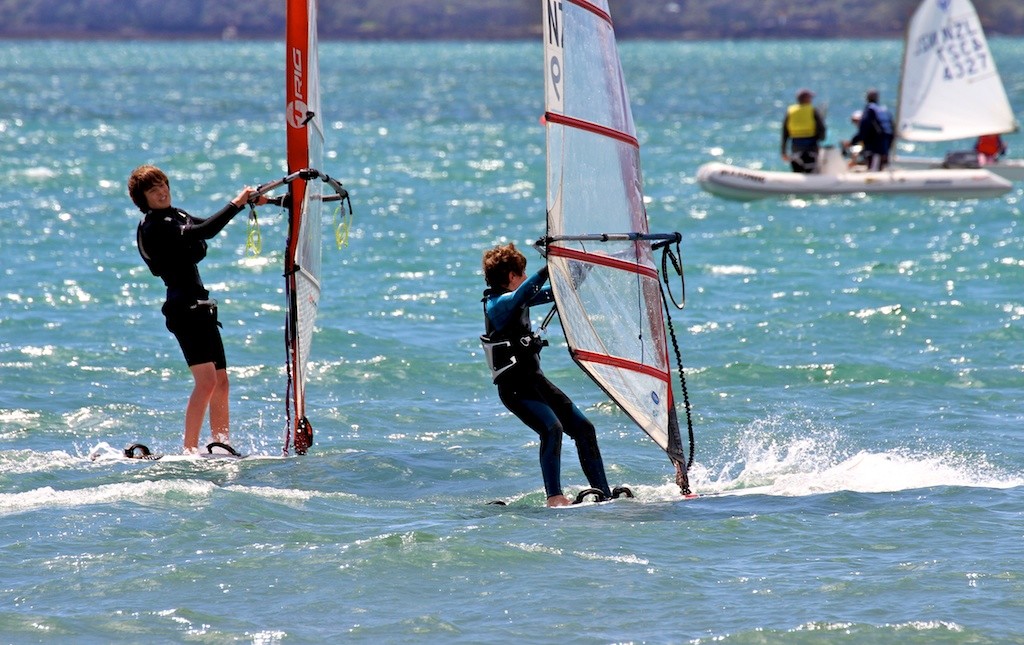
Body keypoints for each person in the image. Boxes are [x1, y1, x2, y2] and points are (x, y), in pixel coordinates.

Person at [128, 164, 265, 454]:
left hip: (200, 308)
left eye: (163, 184)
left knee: (221, 382)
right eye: (153, 190)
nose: (162, 191)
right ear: (144, 199)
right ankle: (189, 451)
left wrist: (262, 202)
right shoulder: (157, 226)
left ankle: (220, 445)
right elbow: (207, 230)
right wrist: (236, 202)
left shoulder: (174, 215)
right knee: (206, 382)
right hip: (183, 309)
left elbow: (208, 220)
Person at [480, 243, 612, 507]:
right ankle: (554, 497)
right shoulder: (497, 305)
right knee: (552, 429)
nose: (526, 278)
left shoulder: (517, 298)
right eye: (523, 273)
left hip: (535, 383)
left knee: (585, 430)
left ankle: (604, 494)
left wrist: (583, 263)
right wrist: (548, 266)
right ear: (511, 277)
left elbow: (559, 292)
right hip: (515, 389)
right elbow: (520, 297)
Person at [844, 89, 894, 171]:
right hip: (884, 148)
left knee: (874, 172)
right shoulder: (884, 110)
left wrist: (852, 142)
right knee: (880, 169)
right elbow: (892, 131)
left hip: (875, 149)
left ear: (867, 98)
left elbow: (864, 129)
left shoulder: (870, 110)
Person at [781, 88, 827, 173]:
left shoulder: (790, 111)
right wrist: (822, 138)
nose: (811, 100)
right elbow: (821, 127)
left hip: (796, 147)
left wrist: (783, 151)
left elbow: (785, 132)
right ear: (805, 98)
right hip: (811, 147)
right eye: (810, 97)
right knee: (811, 170)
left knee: (798, 170)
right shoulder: (813, 110)